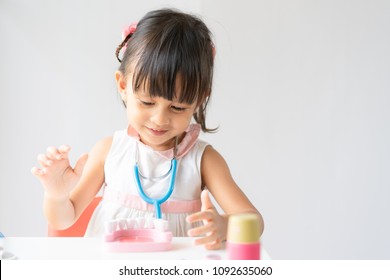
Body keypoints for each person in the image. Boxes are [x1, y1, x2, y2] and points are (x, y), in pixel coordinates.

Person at [31, 8, 264, 250]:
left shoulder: (204, 160)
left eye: (177, 107)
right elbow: (64, 219)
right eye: (147, 102)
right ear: (123, 86)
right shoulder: (108, 151)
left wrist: (226, 225)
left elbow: (254, 222)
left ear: (199, 99)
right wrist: (56, 195)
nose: (159, 119)